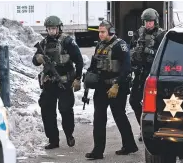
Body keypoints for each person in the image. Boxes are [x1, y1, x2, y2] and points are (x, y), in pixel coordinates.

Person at [84, 20, 138, 160]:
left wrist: (117, 85)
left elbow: (126, 68)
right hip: (102, 86)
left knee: (119, 116)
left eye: (103, 32)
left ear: (111, 32)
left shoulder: (121, 46)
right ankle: (98, 151)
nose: (100, 34)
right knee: (99, 118)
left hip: (117, 87)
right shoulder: (100, 46)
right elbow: (93, 66)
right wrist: (87, 78)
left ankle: (129, 145)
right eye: (99, 32)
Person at [32, 15, 83, 149]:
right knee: (47, 110)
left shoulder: (67, 42)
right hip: (49, 83)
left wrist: (78, 78)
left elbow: (79, 60)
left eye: (53, 28)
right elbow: (34, 60)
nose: (51, 31)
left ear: (59, 28)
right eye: (49, 29)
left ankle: (69, 134)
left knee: (65, 109)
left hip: (65, 82)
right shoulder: (43, 44)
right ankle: (53, 140)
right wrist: (38, 58)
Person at [129, 8, 166, 141]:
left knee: (153, 104)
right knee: (134, 101)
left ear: (155, 21)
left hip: (153, 73)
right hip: (139, 72)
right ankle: (142, 127)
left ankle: (154, 128)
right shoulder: (138, 33)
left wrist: (147, 50)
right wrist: (134, 54)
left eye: (150, 21)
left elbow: (162, 54)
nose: (148, 24)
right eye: (146, 21)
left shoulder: (162, 35)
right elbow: (130, 48)